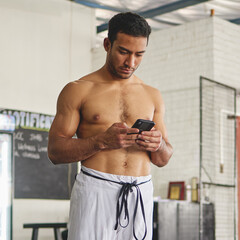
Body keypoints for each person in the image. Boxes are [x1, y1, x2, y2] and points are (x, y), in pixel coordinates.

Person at [48, 12, 173, 240]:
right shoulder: (78, 90)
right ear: (107, 44)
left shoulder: (152, 95)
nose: (131, 62)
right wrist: (100, 142)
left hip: (140, 192)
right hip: (95, 189)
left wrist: (159, 145)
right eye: (123, 52)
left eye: (139, 54)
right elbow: (55, 151)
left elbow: (163, 159)